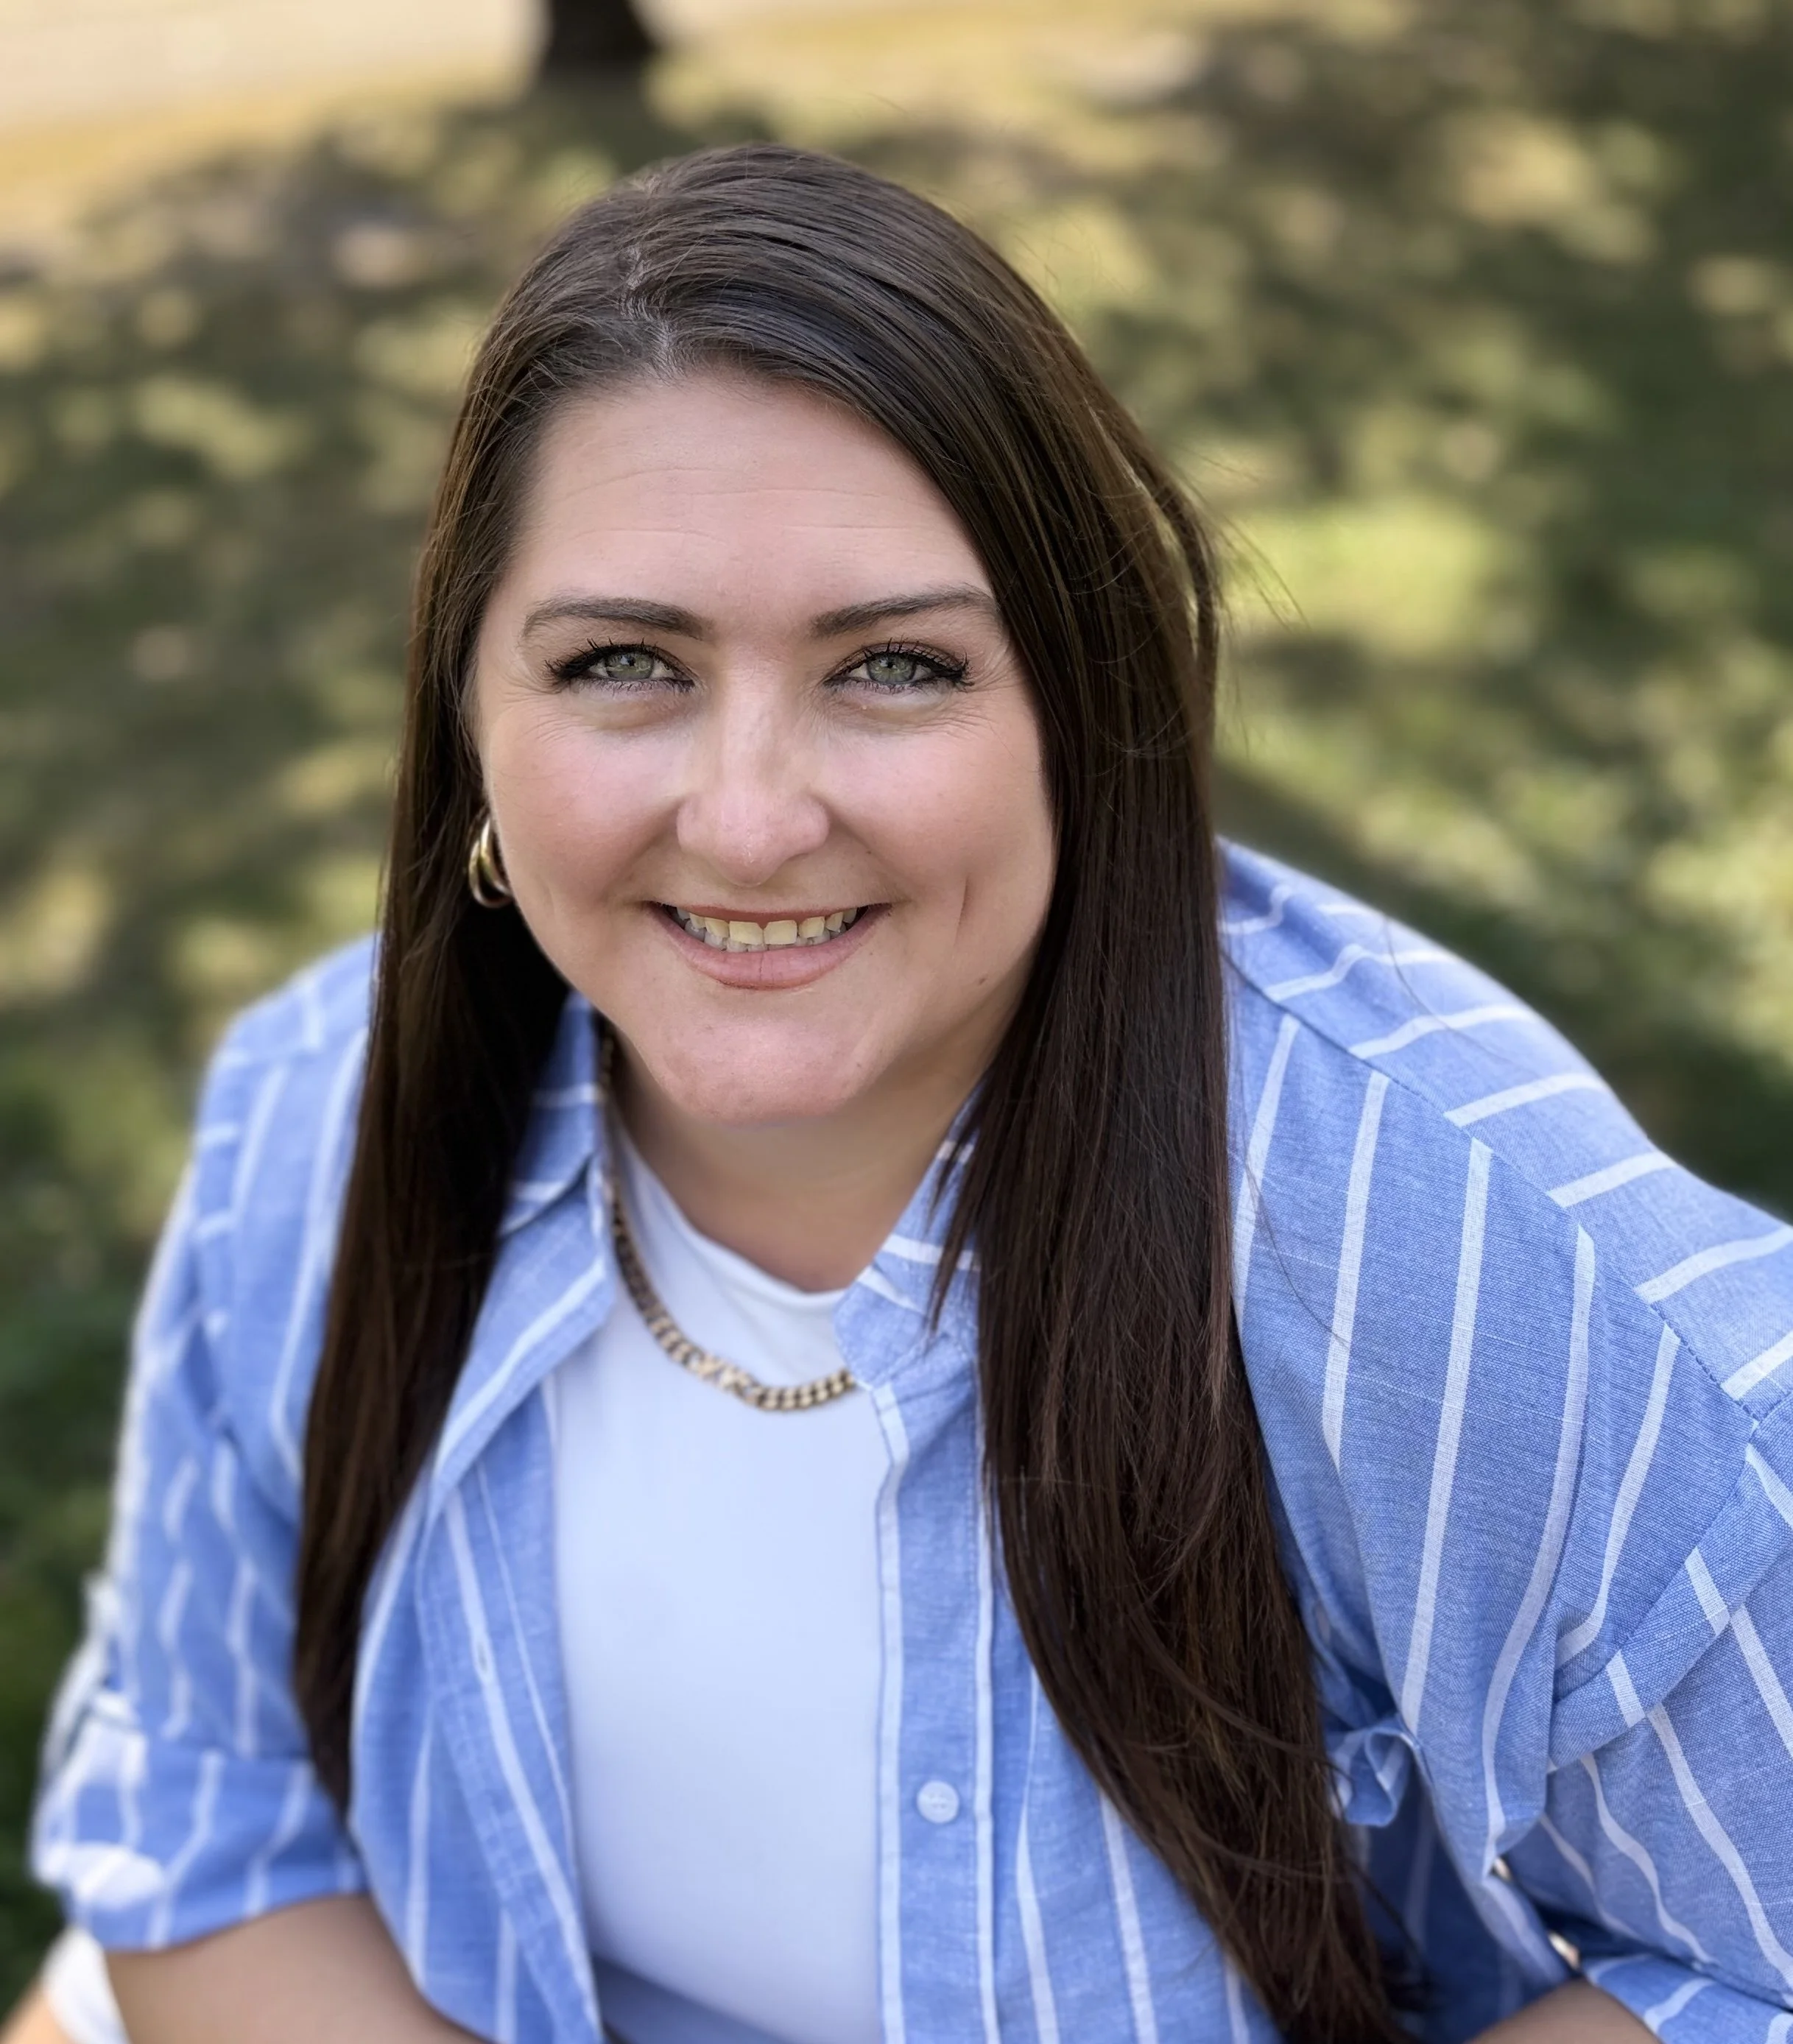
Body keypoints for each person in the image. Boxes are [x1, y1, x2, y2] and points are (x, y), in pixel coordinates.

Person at [18, 141, 1793, 2044]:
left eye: (894, 669)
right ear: (468, 722)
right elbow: (209, 1828)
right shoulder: (319, 1119)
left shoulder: (1465, 1272)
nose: (755, 816)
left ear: (1089, 713)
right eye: (625, 663)